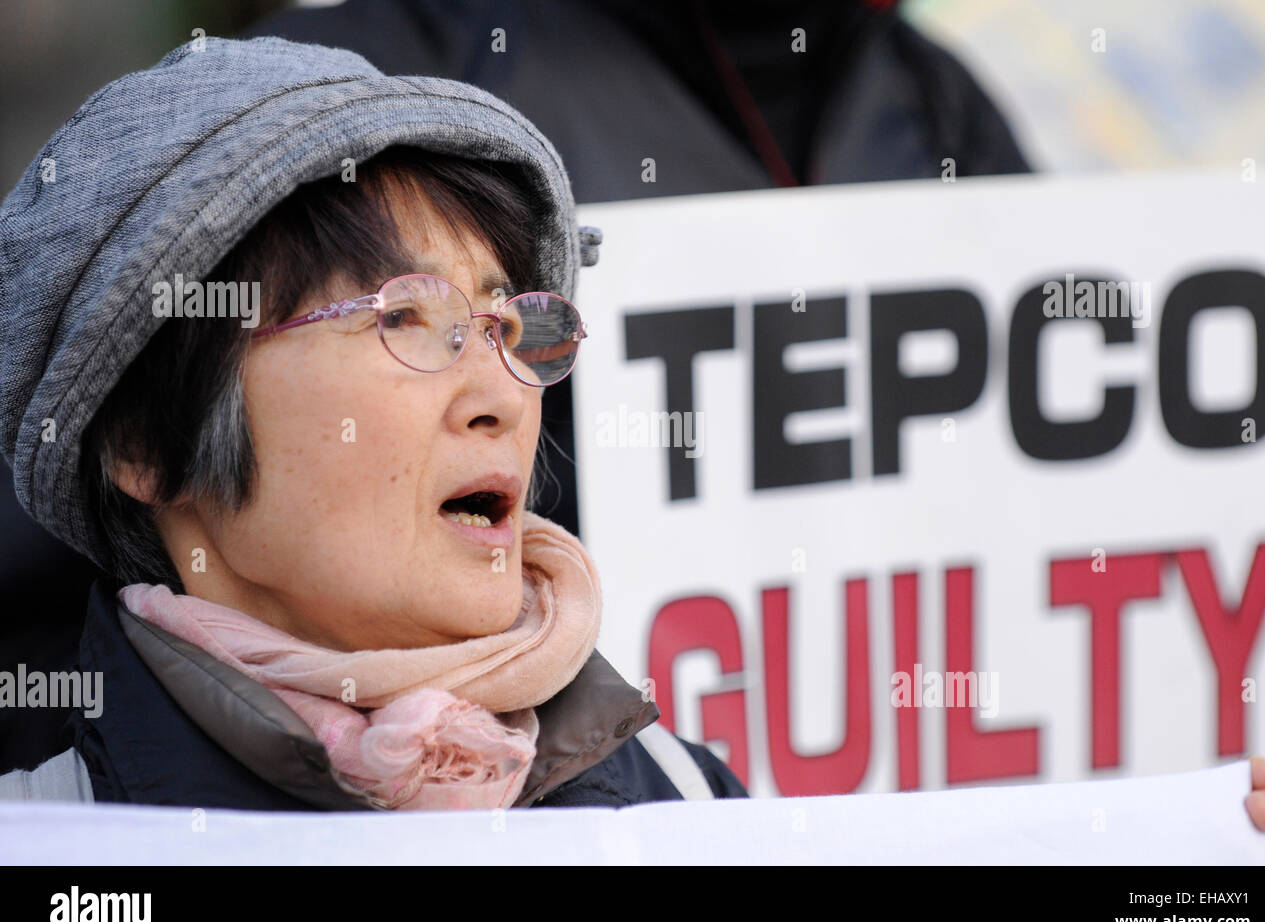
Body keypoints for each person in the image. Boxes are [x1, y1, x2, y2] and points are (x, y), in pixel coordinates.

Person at [0, 35, 744, 810]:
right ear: (146, 440)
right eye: (403, 318)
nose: (506, 395)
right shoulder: (41, 835)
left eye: (506, 324)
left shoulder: (687, 801)